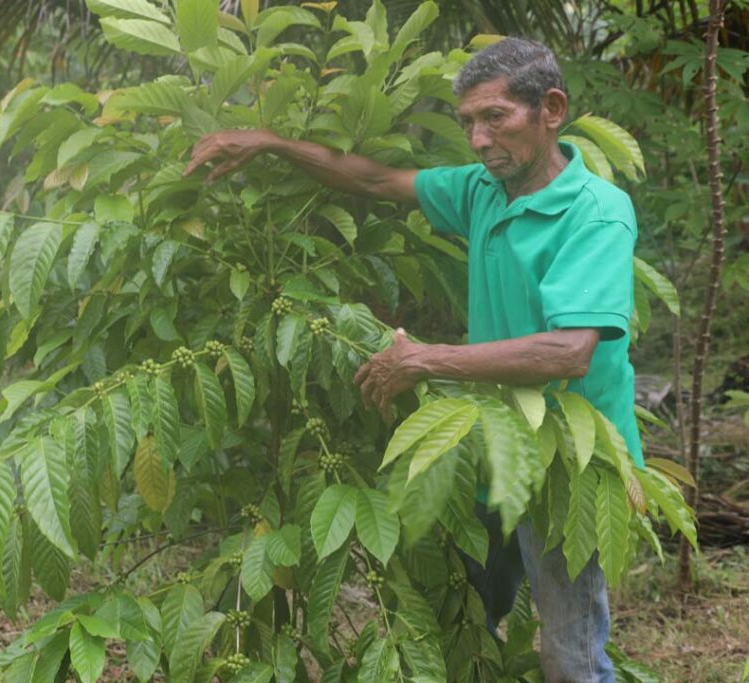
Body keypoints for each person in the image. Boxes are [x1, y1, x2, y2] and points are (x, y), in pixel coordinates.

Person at [184, 37, 643, 683]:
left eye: (495, 118)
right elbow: (373, 179)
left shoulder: (596, 213)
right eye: (467, 124)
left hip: (567, 462)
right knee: (462, 625)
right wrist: (269, 142)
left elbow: (567, 351)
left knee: (569, 656)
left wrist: (428, 358)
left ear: (553, 109)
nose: (479, 141)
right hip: (485, 446)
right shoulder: (485, 191)